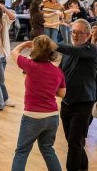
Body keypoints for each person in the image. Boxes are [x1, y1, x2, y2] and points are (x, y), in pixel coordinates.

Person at [11, 35, 66, 171]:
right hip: (52, 117)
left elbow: (14, 53)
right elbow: (62, 94)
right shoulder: (58, 71)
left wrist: (25, 44)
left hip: (32, 117)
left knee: (22, 152)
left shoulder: (30, 65)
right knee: (48, 149)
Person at [57, 18, 97, 171]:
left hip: (84, 104)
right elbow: (59, 73)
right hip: (67, 103)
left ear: (87, 35)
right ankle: (84, 168)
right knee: (74, 141)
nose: (74, 35)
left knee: (74, 143)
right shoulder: (68, 52)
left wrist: (51, 45)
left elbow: (74, 51)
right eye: (73, 32)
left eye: (79, 33)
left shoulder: (91, 49)